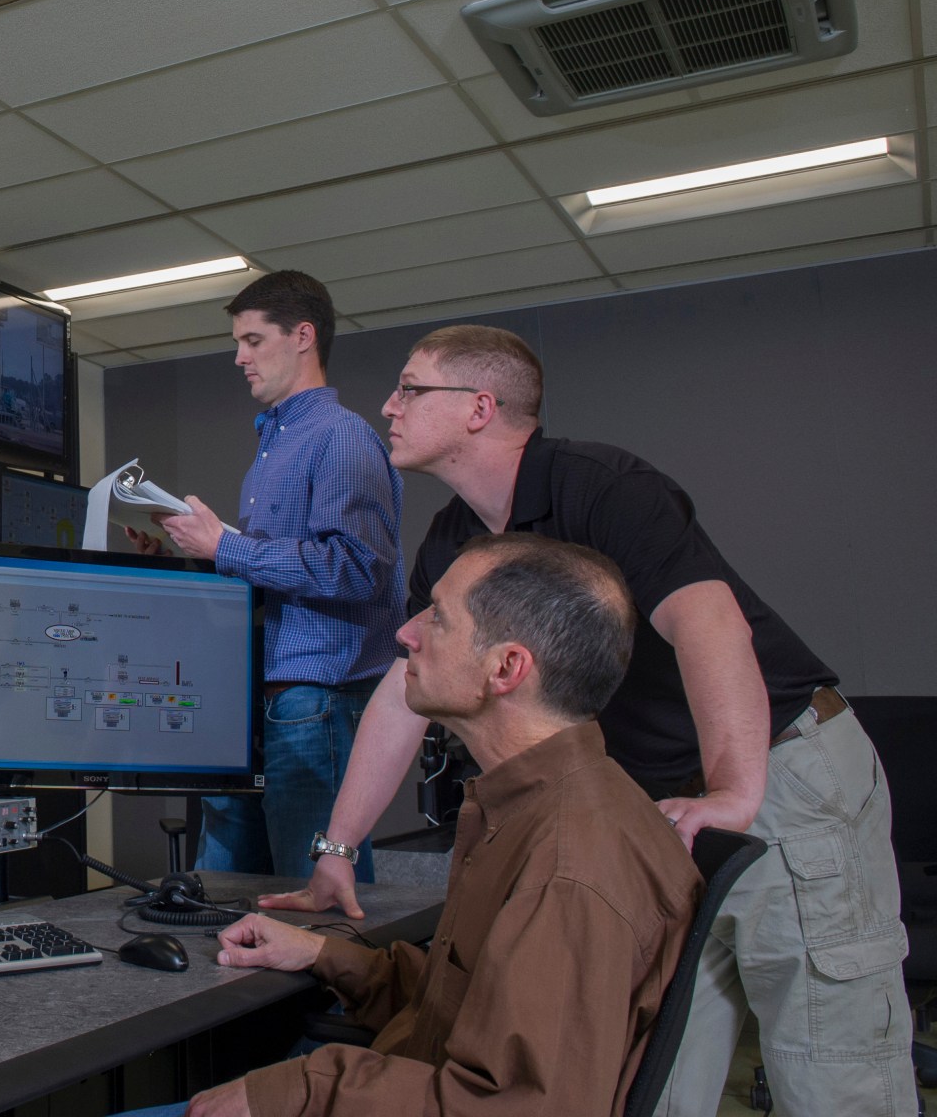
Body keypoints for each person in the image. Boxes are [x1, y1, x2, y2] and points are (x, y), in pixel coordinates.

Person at [260, 325, 913, 1115]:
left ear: (479, 407)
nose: (388, 407)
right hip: (659, 808)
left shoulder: (602, 486)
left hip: (781, 767)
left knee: (830, 1069)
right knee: (654, 1075)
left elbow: (712, 624)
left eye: (409, 388)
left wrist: (735, 792)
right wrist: (339, 848)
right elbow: (406, 688)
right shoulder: (457, 541)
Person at [136, 534, 701, 1117]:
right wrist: (325, 955)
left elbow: (513, 1107)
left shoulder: (568, 869)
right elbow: (464, 1007)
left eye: (438, 617)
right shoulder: (548, 808)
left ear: (506, 667)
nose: (406, 633)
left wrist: (288, 1093)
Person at [131, 270, 405, 880]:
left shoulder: (341, 438)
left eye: (253, 340)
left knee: (317, 904)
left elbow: (357, 568)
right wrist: (191, 553)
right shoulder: (274, 449)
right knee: (226, 894)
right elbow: (280, 579)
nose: (239, 357)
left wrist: (226, 545)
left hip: (316, 708)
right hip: (263, 704)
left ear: (303, 336)